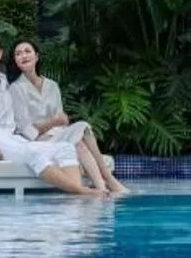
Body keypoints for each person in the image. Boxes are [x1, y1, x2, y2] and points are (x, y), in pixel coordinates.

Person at [0, 32, 116, 197]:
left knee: (65, 148)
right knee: (33, 155)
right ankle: (83, 191)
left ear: (0, 53)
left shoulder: (4, 81)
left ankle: (74, 201)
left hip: (14, 137)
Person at [8, 39, 128, 196]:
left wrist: (58, 124)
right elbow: (26, 131)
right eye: (18, 54)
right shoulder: (15, 89)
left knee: (80, 137)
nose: (23, 55)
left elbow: (61, 121)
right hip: (36, 141)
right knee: (79, 134)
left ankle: (102, 187)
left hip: (57, 134)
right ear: (16, 61)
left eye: (27, 51)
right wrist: (53, 122)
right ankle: (108, 181)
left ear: (36, 56)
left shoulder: (52, 85)